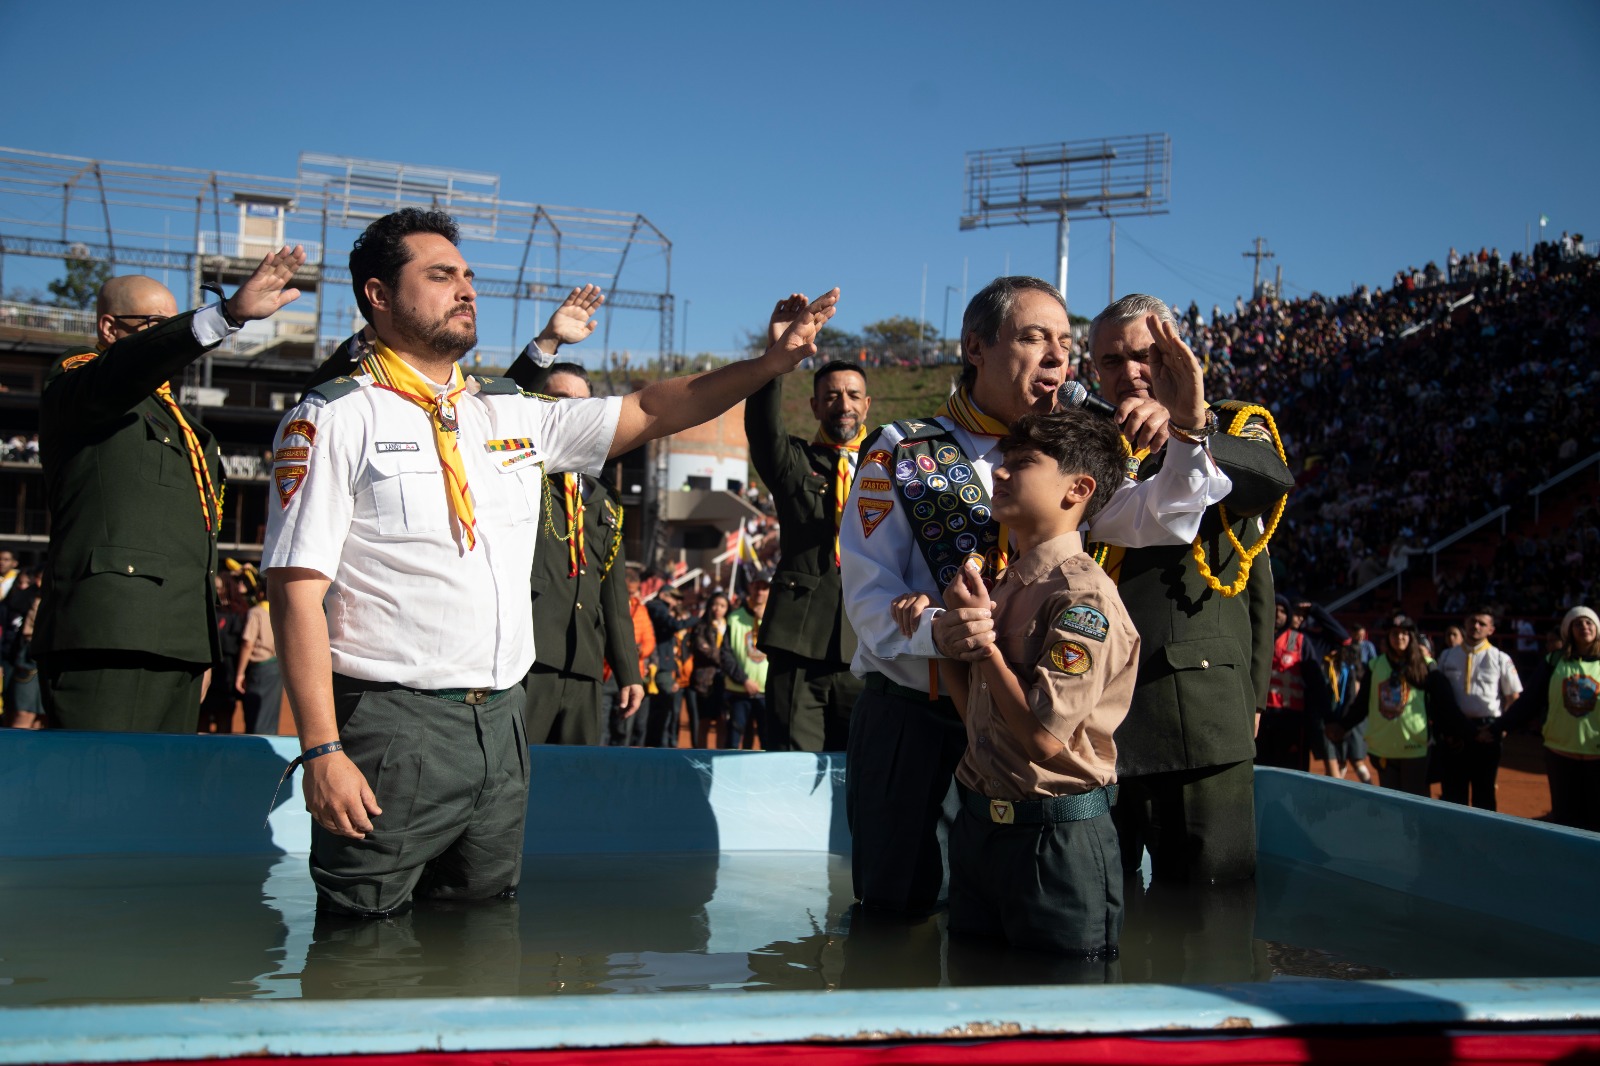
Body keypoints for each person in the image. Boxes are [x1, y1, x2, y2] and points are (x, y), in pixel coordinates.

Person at [264, 207, 837, 916]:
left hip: (504, 725)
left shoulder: (506, 412)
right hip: (393, 727)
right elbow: (294, 592)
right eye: (441, 276)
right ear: (378, 296)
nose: (466, 290)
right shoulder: (336, 415)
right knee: (361, 947)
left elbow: (652, 411)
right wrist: (321, 750)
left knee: (481, 933)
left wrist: (769, 364)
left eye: (468, 276)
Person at [848, 276, 1231, 914]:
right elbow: (866, 595)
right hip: (916, 719)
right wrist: (937, 631)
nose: (1057, 356)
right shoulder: (901, 450)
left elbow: (1164, 515)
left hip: (1021, 731)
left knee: (1004, 917)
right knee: (896, 913)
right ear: (975, 345)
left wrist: (1189, 428)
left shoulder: (1064, 454)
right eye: (1033, 337)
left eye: (1064, 341)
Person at [35, 249, 306, 732]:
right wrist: (221, 317)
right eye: (154, 325)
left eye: (173, 324)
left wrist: (195, 646)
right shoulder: (81, 384)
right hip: (110, 634)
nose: (168, 335)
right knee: (100, 792)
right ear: (109, 328)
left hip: (179, 641)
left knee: (159, 799)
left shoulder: (186, 428)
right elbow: (118, 374)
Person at [1074, 294, 1294, 886]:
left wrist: (1190, 427)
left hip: (1195, 719)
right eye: (1111, 362)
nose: (1130, 373)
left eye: (1145, 355)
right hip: (1092, 719)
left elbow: (1270, 485)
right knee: (1097, 917)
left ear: (1179, 353)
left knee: (1209, 922)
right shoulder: (1087, 444)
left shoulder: (1233, 424)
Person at [933, 411, 1136, 957]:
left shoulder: (1082, 599)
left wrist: (986, 648)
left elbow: (1045, 739)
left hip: (1055, 842)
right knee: (973, 1007)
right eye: (1003, 460)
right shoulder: (1002, 583)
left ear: (1079, 488)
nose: (999, 472)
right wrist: (948, 635)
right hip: (980, 829)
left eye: (1022, 463)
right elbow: (976, 714)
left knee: (1063, 1016)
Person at [746, 299, 871, 753]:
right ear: (816, 405)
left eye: (853, 395)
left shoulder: (890, 472)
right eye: (833, 396)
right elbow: (763, 427)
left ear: (867, 405)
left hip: (869, 645)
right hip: (798, 642)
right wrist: (776, 355)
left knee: (863, 780)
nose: (844, 404)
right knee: (791, 776)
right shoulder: (794, 460)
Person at [503, 348, 643, 747]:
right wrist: (542, 349)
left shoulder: (605, 500)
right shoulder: (520, 477)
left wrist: (628, 671)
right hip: (527, 661)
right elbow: (501, 406)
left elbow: (614, 599)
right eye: (558, 403)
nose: (569, 415)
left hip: (583, 665)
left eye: (581, 406)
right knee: (517, 784)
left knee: (577, 787)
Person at [1328, 612, 1465, 797]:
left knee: (1414, 803)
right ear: (1388, 637)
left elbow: (1444, 704)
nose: (1399, 637)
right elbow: (1361, 705)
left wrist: (1457, 731)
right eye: (1394, 633)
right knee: (1391, 804)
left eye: (1405, 633)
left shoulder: (1426, 666)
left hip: (1415, 748)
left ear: (1412, 637)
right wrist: (1343, 726)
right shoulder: (1375, 666)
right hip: (1384, 748)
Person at [1512, 606, 1600, 831]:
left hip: (1597, 756)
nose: (1584, 627)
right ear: (1568, 630)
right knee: (1566, 822)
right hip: (1560, 755)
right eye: (1578, 623)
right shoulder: (1554, 661)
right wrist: (1496, 728)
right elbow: (1529, 700)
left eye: (1589, 623)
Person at [1434, 606, 1522, 810]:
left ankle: (1483, 841)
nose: (1476, 626)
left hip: (1488, 730)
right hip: (1455, 730)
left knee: (1484, 792)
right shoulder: (1447, 656)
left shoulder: (1500, 658)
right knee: (1453, 792)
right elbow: (1439, 698)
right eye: (1472, 621)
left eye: (1482, 623)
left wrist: (1501, 728)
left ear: (1491, 629)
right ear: (1465, 623)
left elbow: (1513, 697)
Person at [642, 584, 695, 746]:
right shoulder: (656, 607)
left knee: (659, 712)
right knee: (661, 711)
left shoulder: (657, 607)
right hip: (658, 667)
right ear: (664, 595)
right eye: (674, 598)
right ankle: (656, 747)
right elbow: (673, 625)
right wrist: (695, 619)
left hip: (660, 665)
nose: (676, 602)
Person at [722, 576, 769, 750]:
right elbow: (725, 655)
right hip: (739, 691)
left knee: (767, 743)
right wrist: (744, 680)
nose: (760, 592)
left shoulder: (777, 619)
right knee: (734, 742)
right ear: (750, 588)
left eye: (765, 588)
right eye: (757, 587)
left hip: (767, 693)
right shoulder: (734, 618)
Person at [235, 581, 283, 735]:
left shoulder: (256, 612)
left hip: (260, 668)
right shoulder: (280, 611)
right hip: (276, 667)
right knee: (270, 714)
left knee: (254, 714)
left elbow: (247, 643)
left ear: (261, 593)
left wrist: (240, 673)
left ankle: (254, 751)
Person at [687, 592, 731, 748]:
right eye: (715, 604)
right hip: (703, 681)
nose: (717, 609)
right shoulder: (701, 626)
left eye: (722, 605)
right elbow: (702, 649)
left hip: (726, 681)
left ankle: (720, 756)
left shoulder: (731, 626)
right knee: (704, 721)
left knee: (722, 721)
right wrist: (727, 660)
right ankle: (701, 756)